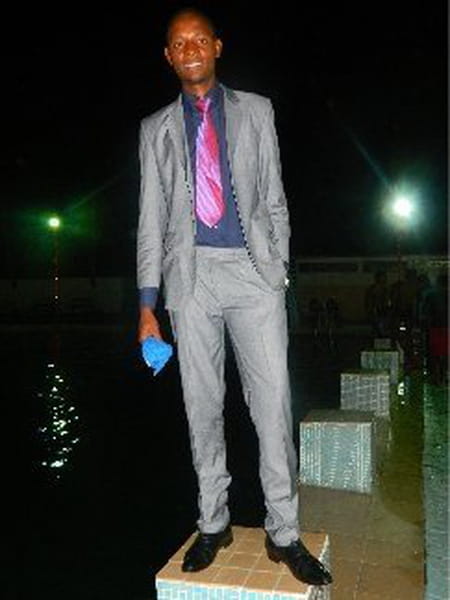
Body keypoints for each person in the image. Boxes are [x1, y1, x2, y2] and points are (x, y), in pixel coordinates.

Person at [136, 8, 332, 587]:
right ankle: (213, 522)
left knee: (272, 404)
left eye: (199, 39)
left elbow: (274, 196)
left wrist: (277, 271)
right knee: (202, 407)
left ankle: (284, 532)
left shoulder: (257, 111)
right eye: (179, 43)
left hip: (252, 273)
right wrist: (147, 304)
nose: (190, 49)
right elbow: (150, 220)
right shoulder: (154, 129)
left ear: (217, 46)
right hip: (190, 279)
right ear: (168, 56)